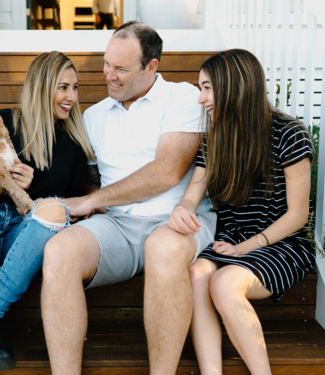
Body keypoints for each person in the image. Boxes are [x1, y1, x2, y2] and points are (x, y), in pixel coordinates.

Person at [41, 22, 216, 374]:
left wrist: (93, 200)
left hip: (177, 220)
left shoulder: (182, 98)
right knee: (59, 251)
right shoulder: (93, 116)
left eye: (121, 68)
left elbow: (168, 171)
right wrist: (90, 197)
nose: (110, 76)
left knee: (163, 249)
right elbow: (87, 180)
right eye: (107, 64)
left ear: (151, 66)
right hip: (117, 225)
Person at [0, 51, 96, 374]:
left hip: (26, 231)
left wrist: (34, 185)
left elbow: (73, 203)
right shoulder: (2, 121)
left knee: (53, 210)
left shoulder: (73, 143)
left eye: (75, 88)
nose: (71, 97)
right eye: (62, 87)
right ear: (41, 86)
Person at [168, 49, 315, 375]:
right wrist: (182, 208)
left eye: (207, 88)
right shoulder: (216, 138)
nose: (200, 98)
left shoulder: (289, 134)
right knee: (197, 275)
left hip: (280, 243)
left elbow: (297, 216)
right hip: (230, 240)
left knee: (223, 283)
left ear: (232, 86)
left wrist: (245, 247)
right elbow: (193, 193)